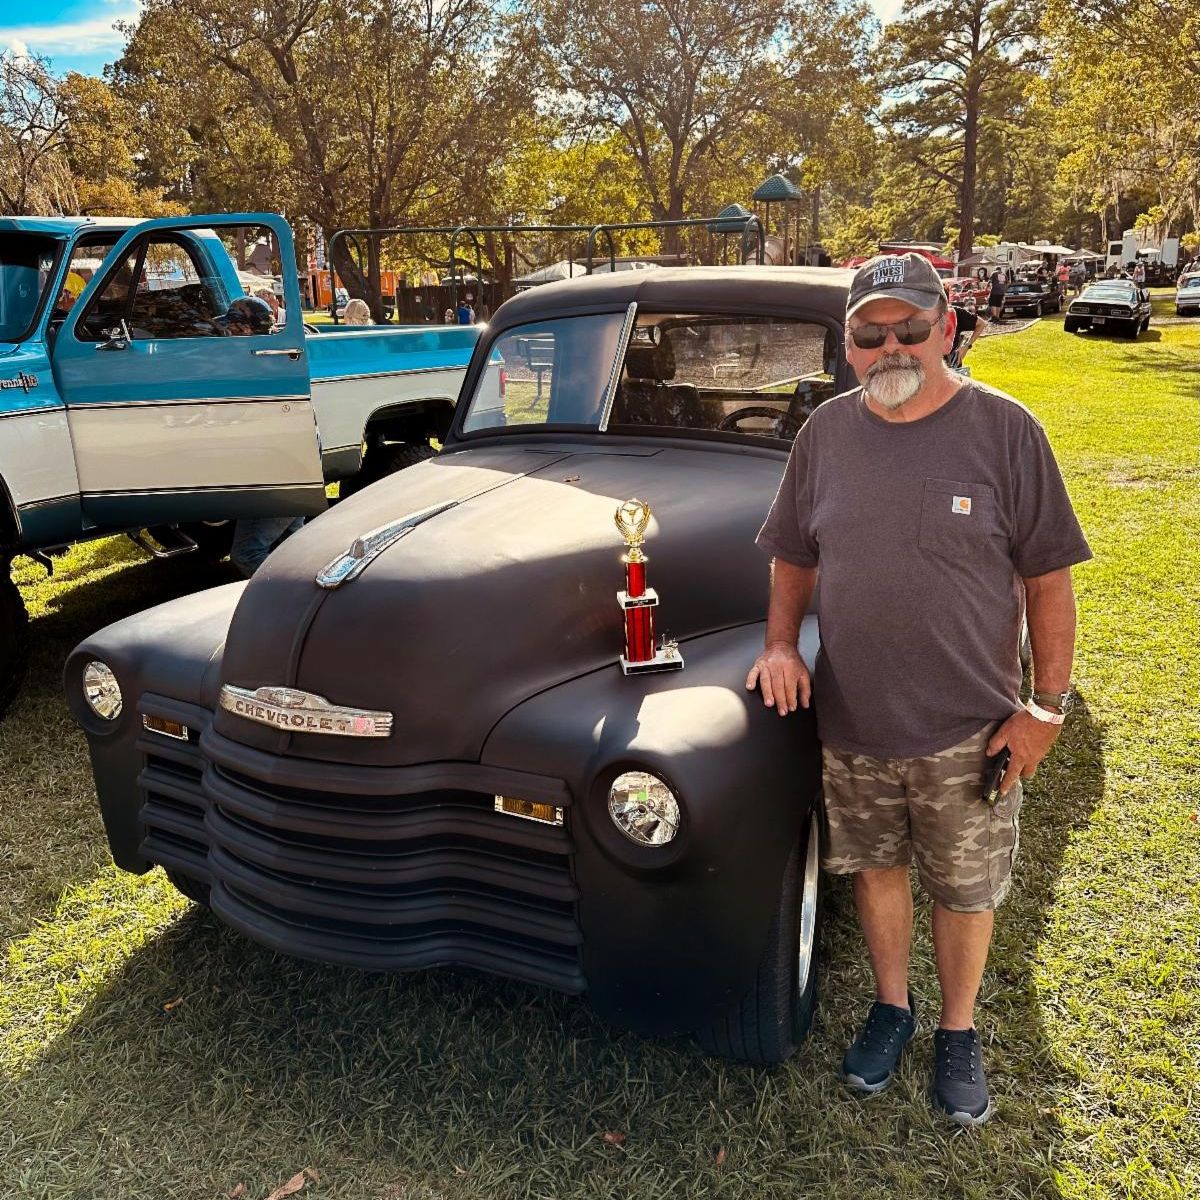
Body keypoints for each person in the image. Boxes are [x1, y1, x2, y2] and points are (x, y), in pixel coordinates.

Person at [748, 252, 1091, 1127]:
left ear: (947, 329)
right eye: (872, 334)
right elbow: (793, 553)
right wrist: (781, 644)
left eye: (910, 328)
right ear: (849, 346)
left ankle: (957, 1029)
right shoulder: (824, 435)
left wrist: (1045, 709)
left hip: (969, 728)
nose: (891, 347)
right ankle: (893, 1007)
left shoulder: (1007, 432)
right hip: (855, 720)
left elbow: (1049, 580)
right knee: (877, 871)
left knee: (964, 890)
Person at [946, 290, 987, 374]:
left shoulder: (956, 312)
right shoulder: (922, 314)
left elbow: (981, 324)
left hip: (951, 364)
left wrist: (966, 346)